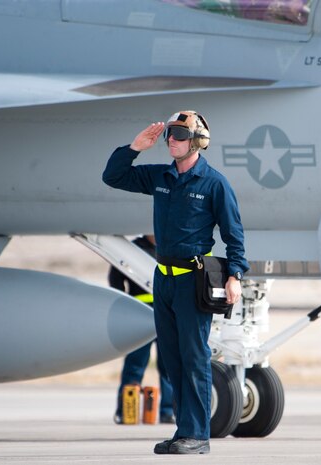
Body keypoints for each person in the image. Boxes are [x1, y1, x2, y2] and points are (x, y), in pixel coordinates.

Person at [102, 111, 249, 455]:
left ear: (197, 142)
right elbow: (113, 176)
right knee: (170, 360)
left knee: (194, 358)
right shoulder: (161, 176)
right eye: (170, 134)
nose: (171, 140)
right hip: (162, 279)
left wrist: (236, 275)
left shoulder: (214, 184)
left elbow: (234, 234)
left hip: (192, 281)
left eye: (180, 135)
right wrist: (134, 148)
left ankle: (197, 435)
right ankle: (183, 431)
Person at [110, 234, 175, 425]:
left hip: (165, 316)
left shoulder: (168, 246)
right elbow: (115, 277)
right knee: (135, 364)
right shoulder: (134, 248)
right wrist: (124, 306)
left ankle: (168, 411)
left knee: (168, 367)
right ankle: (125, 411)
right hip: (139, 315)